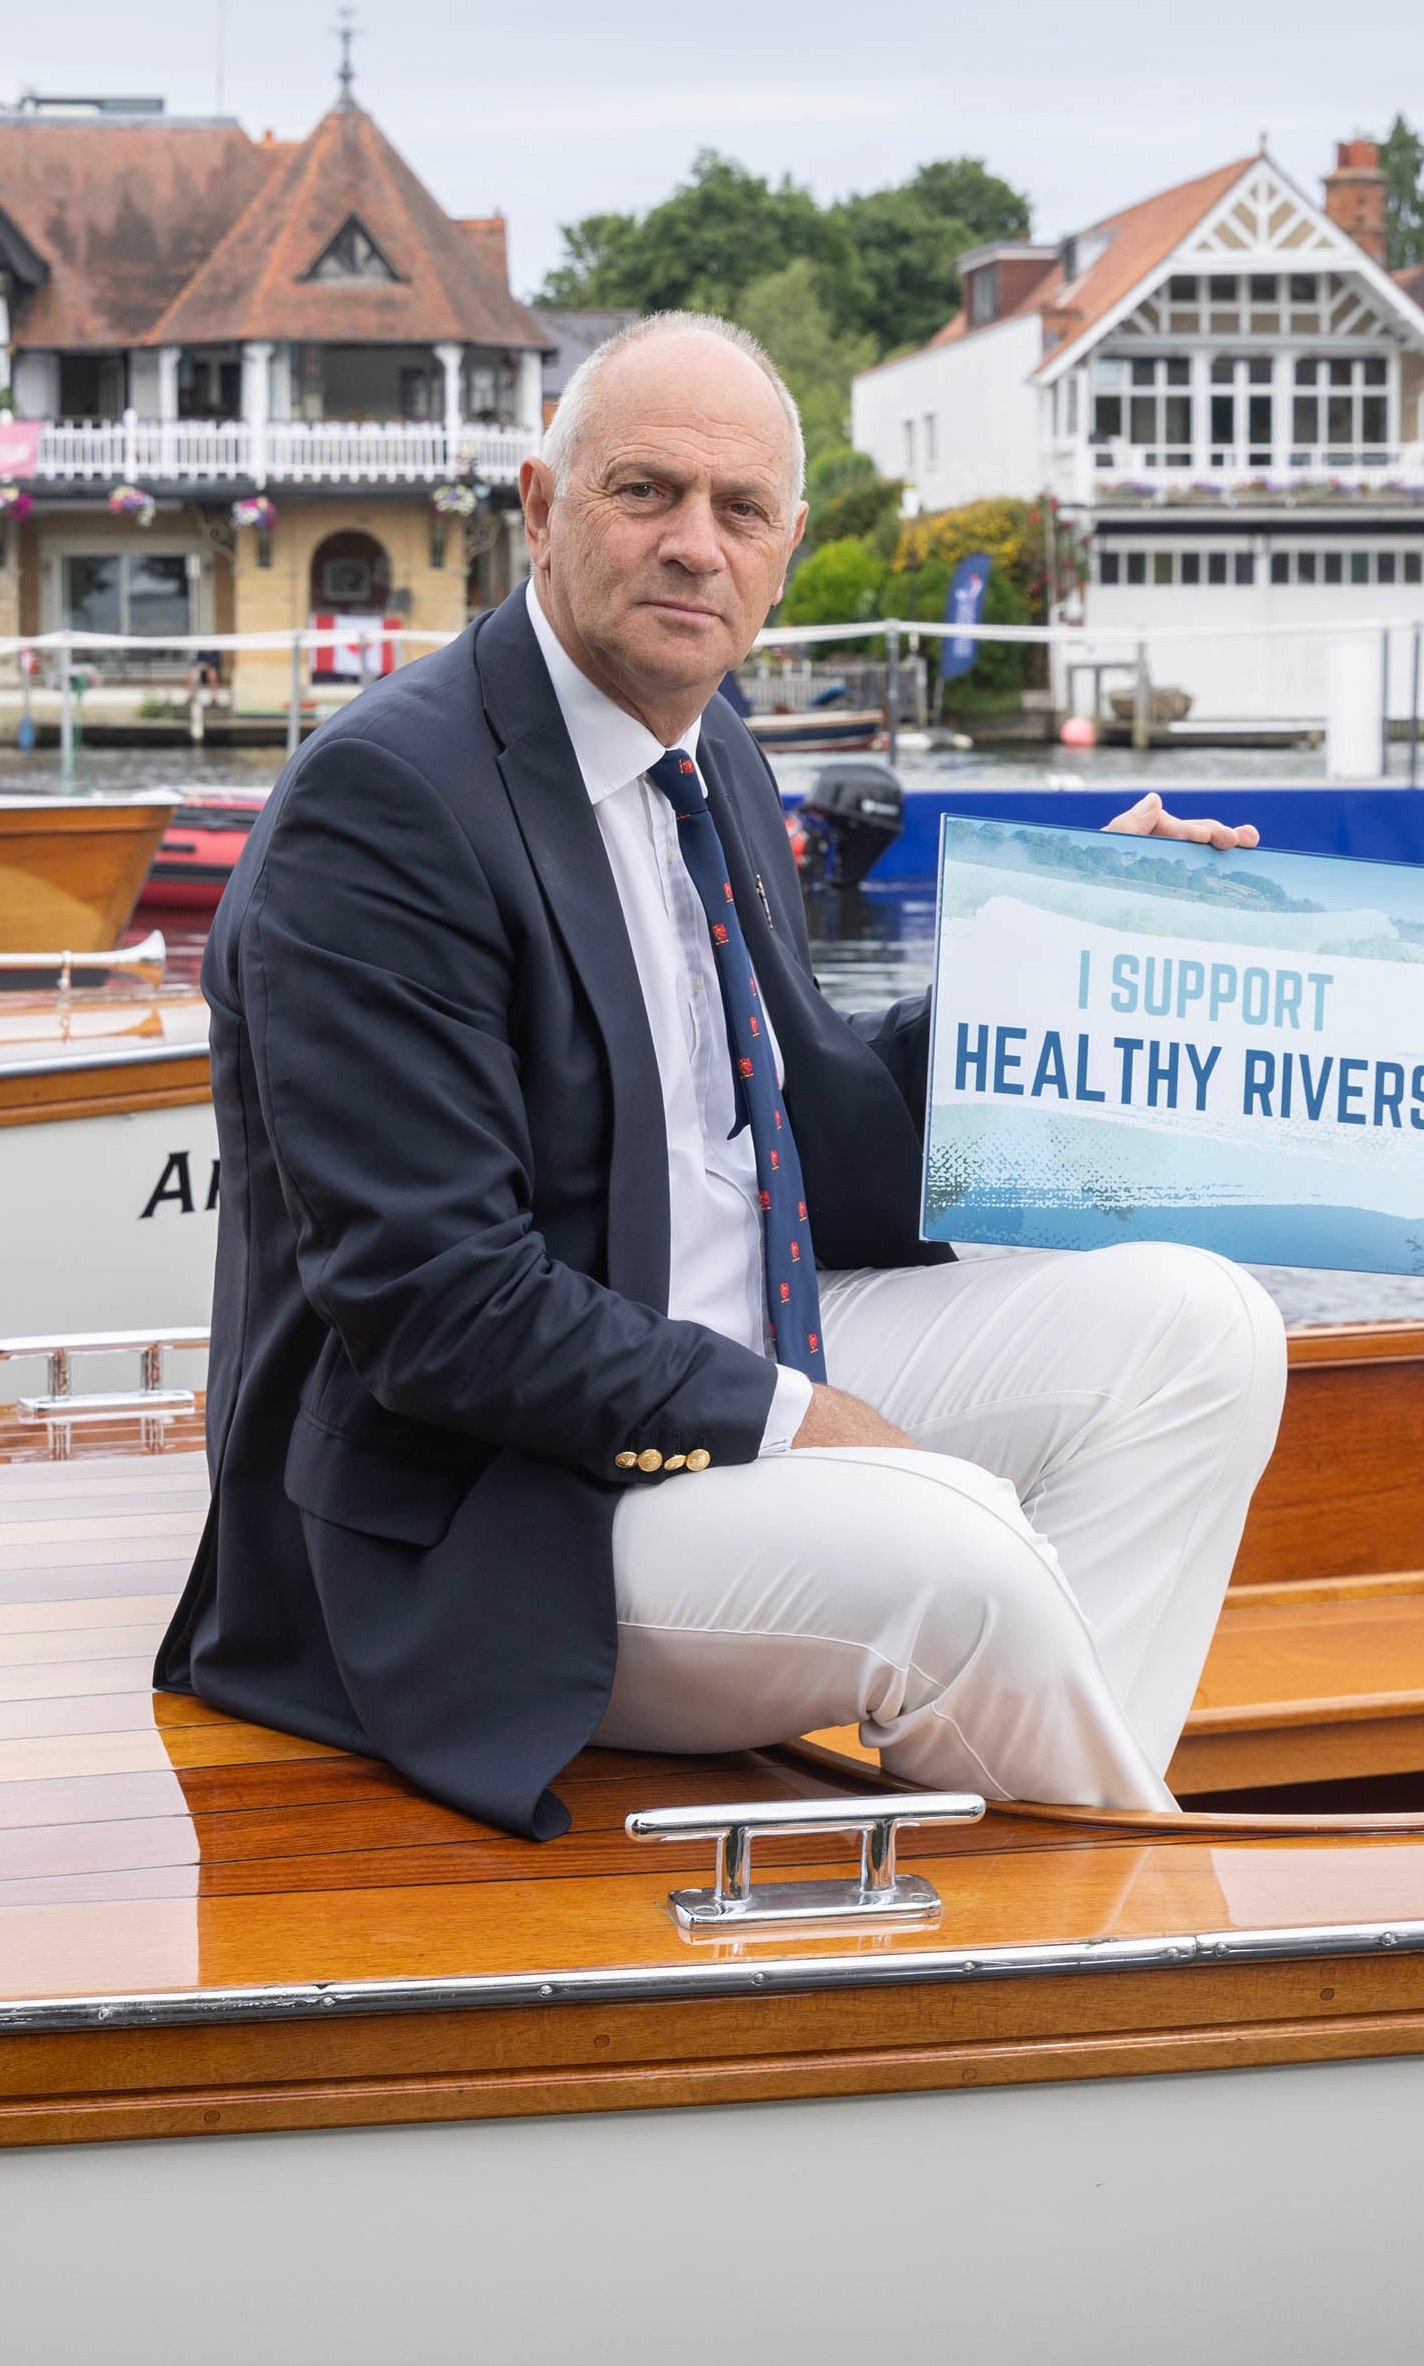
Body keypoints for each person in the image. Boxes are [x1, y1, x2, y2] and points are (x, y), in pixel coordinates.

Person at [157, 312, 1287, 1839]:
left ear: (787, 548)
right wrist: (794, 1416)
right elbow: (436, 1308)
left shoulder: (717, 755)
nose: (697, 544)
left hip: (729, 1365)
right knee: (958, 1554)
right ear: (541, 506)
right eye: (647, 492)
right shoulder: (383, 806)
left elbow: (811, 1137)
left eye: (740, 510)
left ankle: (1011, 1891)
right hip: (494, 1504)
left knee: (1203, 1330)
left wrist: (1070, 972)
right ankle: (1098, 1932)